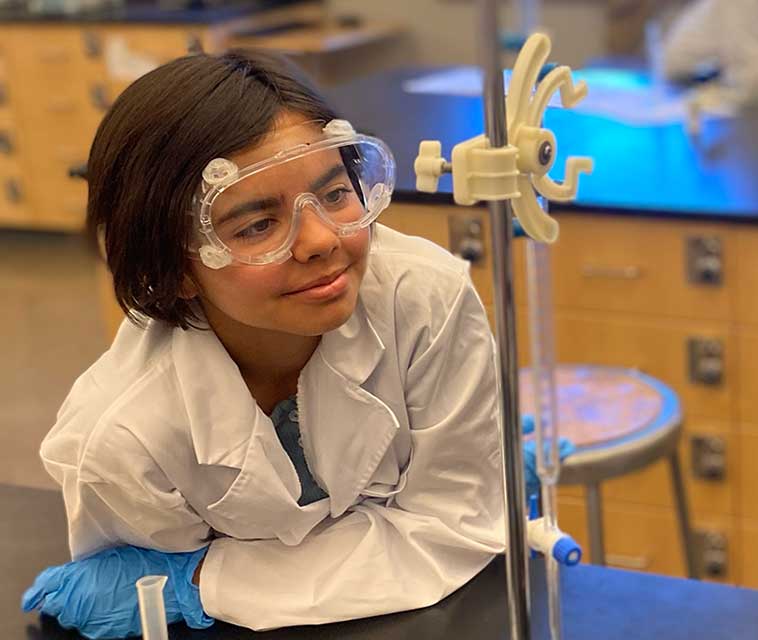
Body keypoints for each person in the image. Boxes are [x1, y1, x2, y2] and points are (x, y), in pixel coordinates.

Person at [20, 50, 506, 638]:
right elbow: (155, 609)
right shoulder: (122, 441)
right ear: (171, 269)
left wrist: (199, 581)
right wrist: (196, 590)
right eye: (257, 225)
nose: (323, 239)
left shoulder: (424, 300)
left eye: (334, 193)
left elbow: (456, 534)